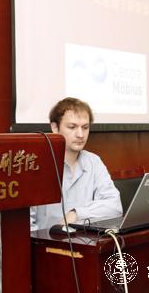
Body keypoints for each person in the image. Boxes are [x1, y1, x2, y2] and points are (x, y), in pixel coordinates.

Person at [30, 97, 122, 231]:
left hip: (85, 240)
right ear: (55, 127)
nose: (80, 134)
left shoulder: (94, 162)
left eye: (85, 127)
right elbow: (26, 226)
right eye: (72, 127)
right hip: (46, 242)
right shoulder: (35, 165)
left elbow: (115, 206)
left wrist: (76, 214)